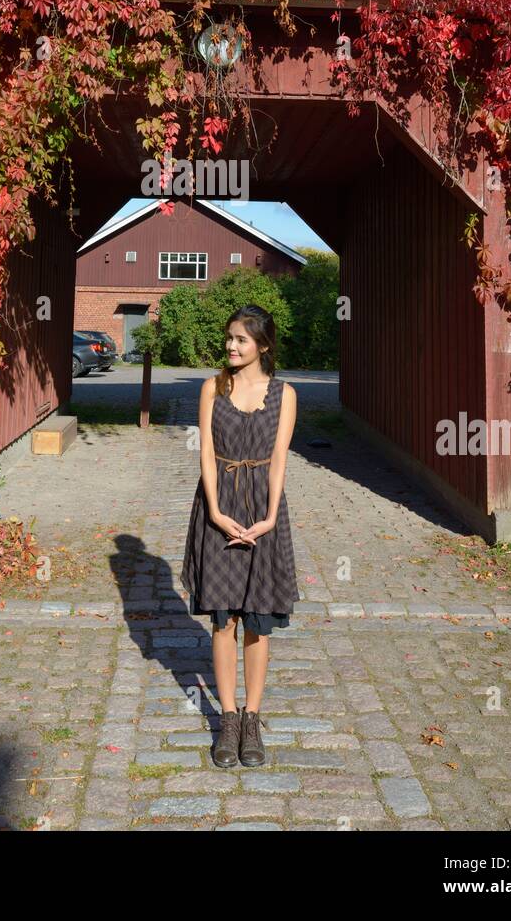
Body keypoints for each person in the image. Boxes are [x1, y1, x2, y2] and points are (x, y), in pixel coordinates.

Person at [181, 305, 299, 768]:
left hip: (263, 511)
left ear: (263, 346)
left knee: (258, 617)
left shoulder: (284, 394)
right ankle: (227, 720)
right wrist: (214, 510)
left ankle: (253, 718)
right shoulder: (213, 388)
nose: (231, 346)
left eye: (241, 340)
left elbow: (280, 460)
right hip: (220, 507)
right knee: (223, 616)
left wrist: (270, 518)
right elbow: (206, 455)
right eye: (229, 337)